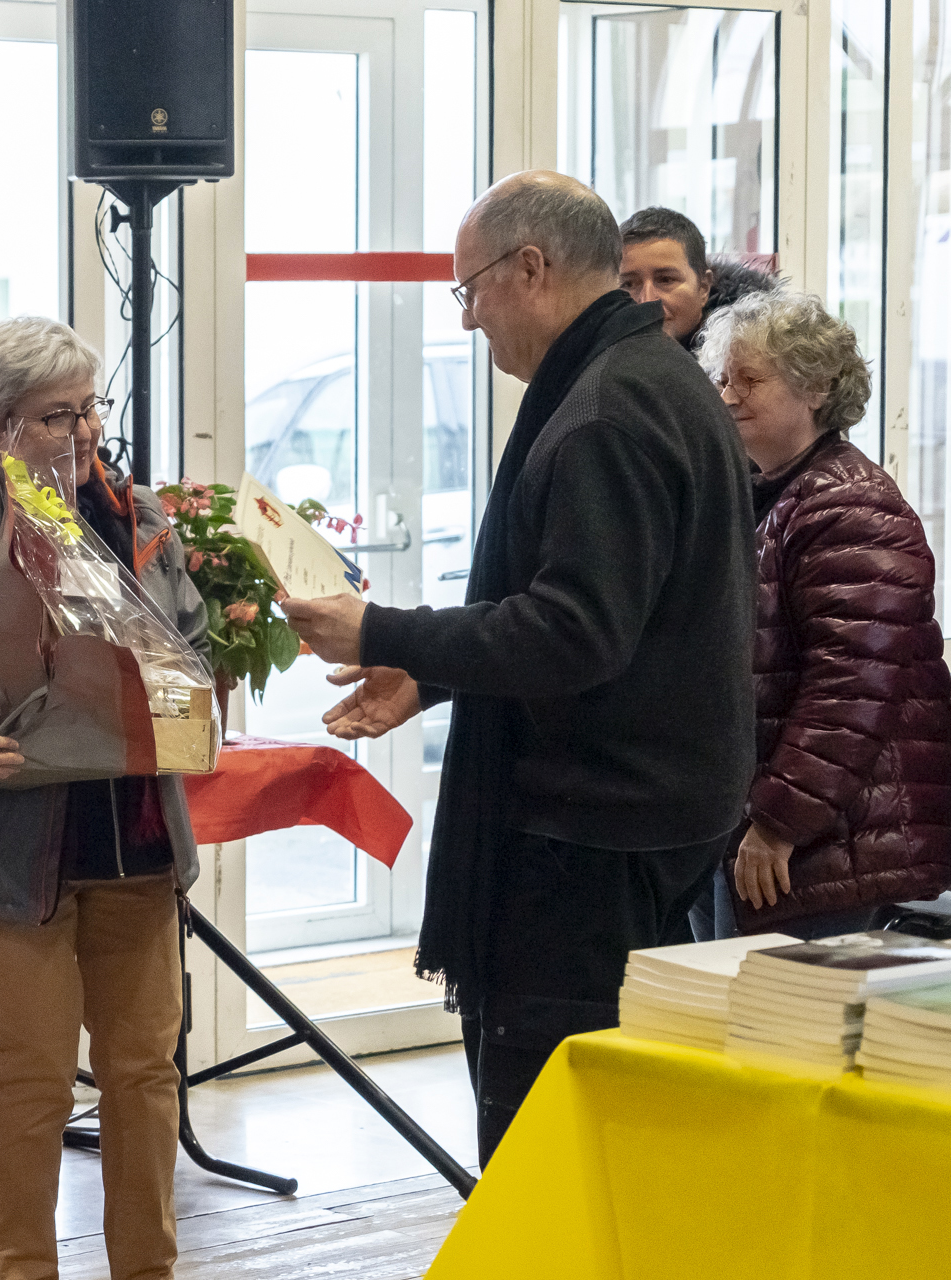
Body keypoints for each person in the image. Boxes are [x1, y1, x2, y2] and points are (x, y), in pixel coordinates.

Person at [282, 173, 756, 1165]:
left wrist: (386, 631)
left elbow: (577, 635)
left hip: (588, 835)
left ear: (531, 268)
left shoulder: (602, 413)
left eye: (470, 292)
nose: (469, 321)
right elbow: (607, 608)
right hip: (642, 815)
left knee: (551, 1146)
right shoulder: (646, 377)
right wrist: (437, 674)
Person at [0, 317, 207, 1280]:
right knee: (35, 1074)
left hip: (133, 834)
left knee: (145, 1071)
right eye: (57, 416)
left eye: (89, 407)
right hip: (13, 837)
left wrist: (191, 652)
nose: (86, 432)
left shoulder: (136, 516)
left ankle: (148, 1270)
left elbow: (186, 644)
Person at [691, 291, 951, 941]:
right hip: (783, 833)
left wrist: (779, 823)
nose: (726, 397)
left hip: (826, 846)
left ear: (815, 388)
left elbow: (851, 690)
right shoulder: (770, 493)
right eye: (721, 378)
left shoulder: (847, 507)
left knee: (776, 1037)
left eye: (749, 380)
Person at [618, 205, 778, 350]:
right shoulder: (602, 361)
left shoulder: (750, 366)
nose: (647, 300)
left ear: (703, 288)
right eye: (629, 284)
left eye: (666, 280)